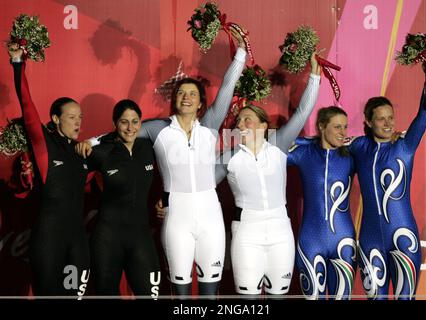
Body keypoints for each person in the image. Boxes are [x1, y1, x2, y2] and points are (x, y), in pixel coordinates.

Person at [77, 27, 247, 296]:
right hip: (176, 216)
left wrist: (240, 54)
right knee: (178, 294)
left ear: (201, 103)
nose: (187, 97)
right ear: (174, 99)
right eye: (181, 93)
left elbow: (227, 87)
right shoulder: (158, 129)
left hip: (210, 217)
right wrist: (92, 142)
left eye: (192, 94)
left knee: (209, 294)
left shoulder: (211, 125)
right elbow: (123, 129)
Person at [213, 53, 321, 296]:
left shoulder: (278, 145)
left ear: (263, 126)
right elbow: (202, 189)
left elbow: (303, 112)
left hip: (281, 232)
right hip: (246, 234)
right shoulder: (228, 158)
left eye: (247, 120)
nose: (241, 125)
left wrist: (314, 75)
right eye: (239, 121)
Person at [8, 46, 90, 297]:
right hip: (48, 241)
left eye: (80, 117)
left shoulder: (82, 150)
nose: (78, 122)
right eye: (71, 117)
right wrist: (18, 62)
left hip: (77, 241)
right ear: (55, 119)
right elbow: (27, 105)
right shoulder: (44, 145)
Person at [349, 80, 426, 299]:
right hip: (370, 240)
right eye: (381, 119)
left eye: (391, 118)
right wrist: (264, 139)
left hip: (404, 238)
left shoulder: (404, 146)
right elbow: (325, 143)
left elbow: (425, 114)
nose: (388, 124)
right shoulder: (358, 146)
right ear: (368, 121)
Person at [85, 99, 161, 297]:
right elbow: (66, 178)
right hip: (108, 239)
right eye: (124, 122)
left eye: (135, 121)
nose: (130, 128)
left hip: (141, 238)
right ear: (115, 123)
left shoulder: (150, 148)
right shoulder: (101, 152)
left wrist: (165, 200)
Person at [287, 106, 356, 300]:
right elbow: (273, 148)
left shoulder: (352, 156)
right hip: (310, 240)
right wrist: (308, 140)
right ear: (321, 127)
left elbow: (378, 145)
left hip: (343, 241)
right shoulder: (304, 154)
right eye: (337, 127)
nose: (343, 133)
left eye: (345, 127)